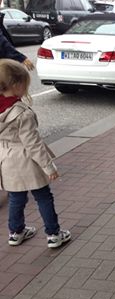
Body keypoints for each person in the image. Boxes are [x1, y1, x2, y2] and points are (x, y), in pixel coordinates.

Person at [0, 59, 71, 248]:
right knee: (43, 196)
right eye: (25, 84)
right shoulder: (21, 113)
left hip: (6, 160)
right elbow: (33, 144)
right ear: (16, 85)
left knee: (16, 198)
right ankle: (54, 234)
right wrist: (49, 167)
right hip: (27, 161)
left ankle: (16, 232)